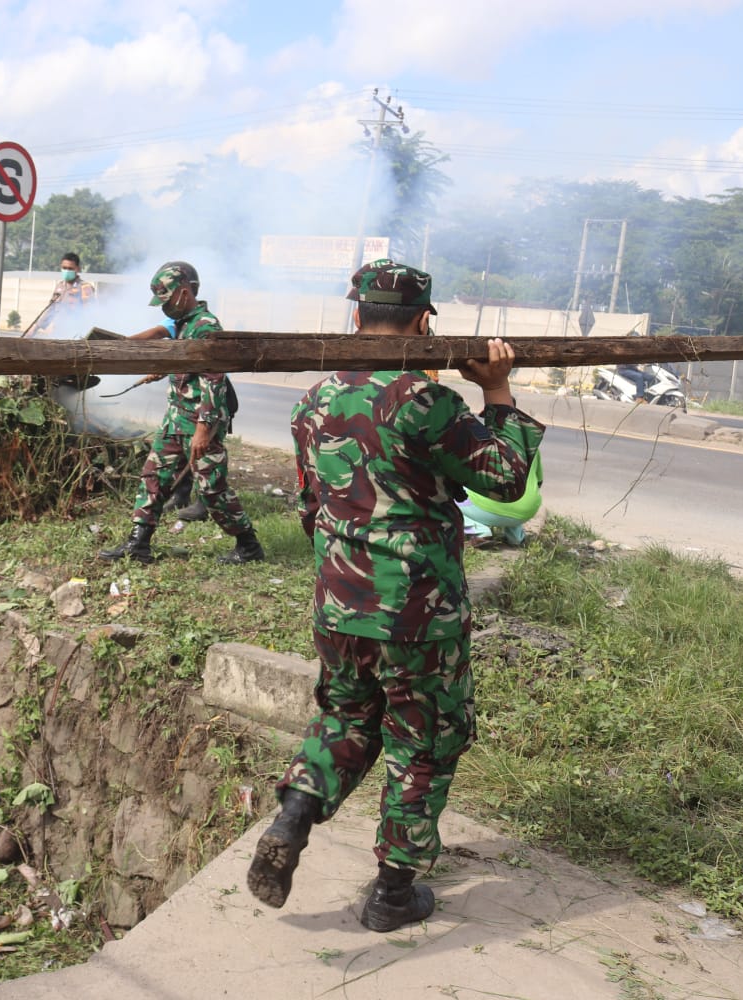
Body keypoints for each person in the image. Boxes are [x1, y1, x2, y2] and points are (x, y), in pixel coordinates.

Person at [246, 259, 544, 932]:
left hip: (339, 605)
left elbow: (309, 505)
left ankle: (293, 817)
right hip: (417, 613)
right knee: (425, 742)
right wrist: (498, 390)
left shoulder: (314, 402)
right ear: (422, 320)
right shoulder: (425, 401)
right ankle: (392, 893)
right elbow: (504, 478)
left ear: (357, 317)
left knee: (346, 722)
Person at [99, 261, 263, 566]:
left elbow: (214, 378)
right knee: (154, 475)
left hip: (198, 420)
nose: (162, 307)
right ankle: (138, 543)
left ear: (184, 292)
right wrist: (163, 370)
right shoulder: (185, 324)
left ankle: (249, 546)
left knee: (212, 489)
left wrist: (204, 427)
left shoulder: (205, 326)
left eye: (165, 298)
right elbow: (178, 353)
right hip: (175, 418)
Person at [460, 452, 543, 546]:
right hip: (526, 511)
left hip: (490, 509)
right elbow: (539, 481)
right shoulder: (531, 446)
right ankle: (516, 537)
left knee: (449, 491)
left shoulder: (480, 440)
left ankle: (479, 531)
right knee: (515, 489)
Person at [32, 251, 97, 337]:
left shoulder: (85, 288)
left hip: (75, 335)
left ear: (77, 269)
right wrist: (35, 328)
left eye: (70, 269)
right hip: (58, 332)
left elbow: (90, 314)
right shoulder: (60, 287)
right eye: (64, 268)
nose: (67, 271)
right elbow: (51, 309)